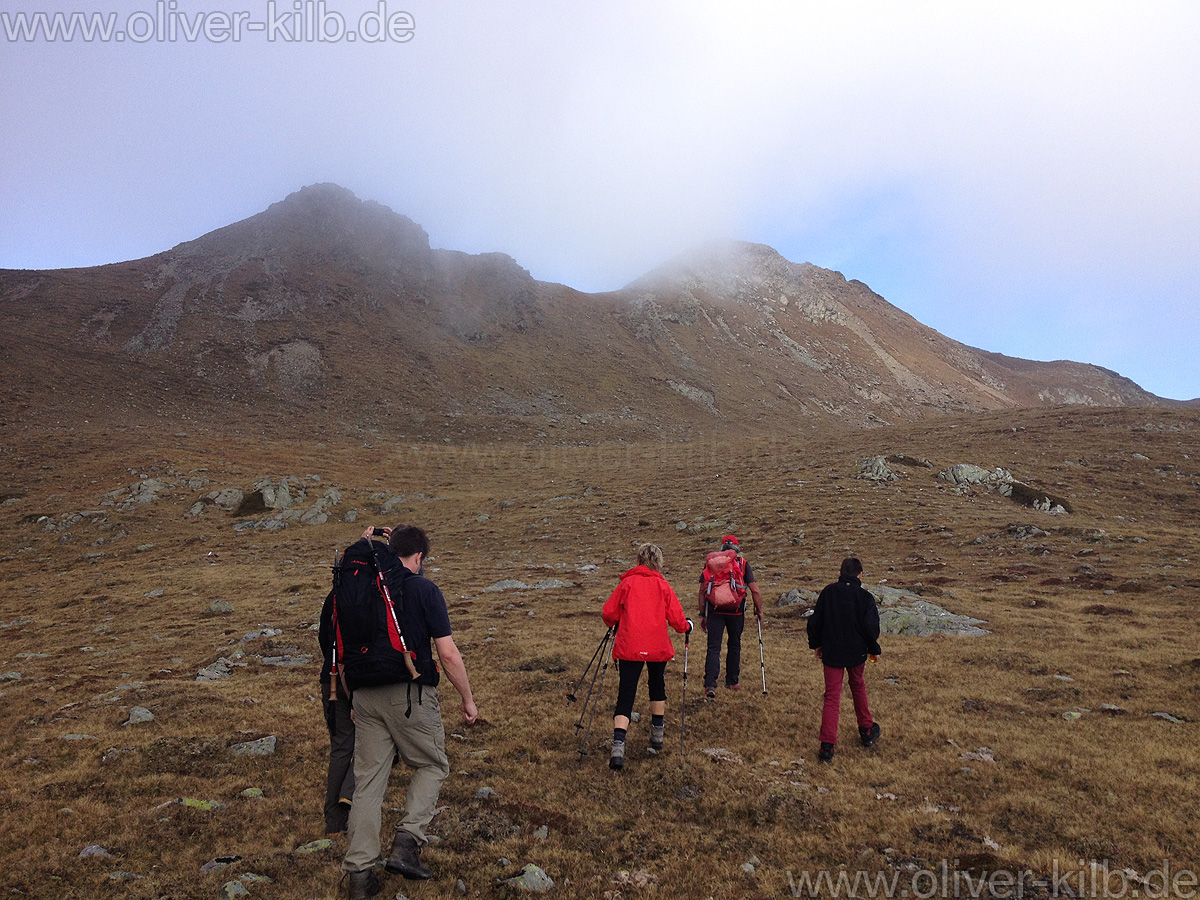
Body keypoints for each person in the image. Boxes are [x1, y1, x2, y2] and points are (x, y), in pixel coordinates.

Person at [340, 525, 478, 900]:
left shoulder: (361, 587)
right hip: (411, 693)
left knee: (368, 783)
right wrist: (467, 698)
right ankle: (406, 843)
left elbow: (338, 643)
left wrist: (351, 697)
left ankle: (359, 876)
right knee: (433, 765)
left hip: (364, 695)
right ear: (418, 557)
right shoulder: (423, 588)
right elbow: (448, 654)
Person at [601, 543, 692, 770]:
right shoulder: (663, 586)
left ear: (639, 559)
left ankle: (618, 747)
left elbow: (609, 613)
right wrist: (687, 626)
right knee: (657, 685)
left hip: (630, 645)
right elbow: (677, 620)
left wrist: (617, 621)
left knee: (626, 692)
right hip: (656, 646)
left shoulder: (627, 583)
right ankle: (657, 735)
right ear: (658, 561)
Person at [806, 557, 882, 763]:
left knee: (832, 696)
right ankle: (867, 731)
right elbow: (871, 628)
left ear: (840, 574)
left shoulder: (828, 592)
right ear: (860, 575)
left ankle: (827, 746)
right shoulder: (865, 597)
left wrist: (817, 644)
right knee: (858, 686)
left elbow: (815, 622)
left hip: (832, 651)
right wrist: (873, 649)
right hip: (857, 652)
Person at [697, 535, 763, 699]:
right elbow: (754, 589)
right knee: (734, 644)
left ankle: (710, 684)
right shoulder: (743, 563)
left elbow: (702, 590)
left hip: (715, 611)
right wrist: (759, 610)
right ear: (736, 548)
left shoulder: (712, 563)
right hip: (736, 612)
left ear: (722, 548)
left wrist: (702, 614)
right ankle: (732, 681)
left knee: (714, 647)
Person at [318, 589, 354, 836]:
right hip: (359, 680)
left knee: (341, 746)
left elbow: (323, 638)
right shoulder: (374, 591)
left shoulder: (334, 596)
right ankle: (349, 793)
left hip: (329, 678)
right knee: (376, 740)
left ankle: (333, 820)